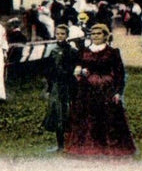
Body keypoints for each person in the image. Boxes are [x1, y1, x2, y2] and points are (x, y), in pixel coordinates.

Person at [66, 24, 136, 156]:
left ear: (105, 35)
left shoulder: (113, 52)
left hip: (106, 88)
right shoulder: (84, 51)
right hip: (87, 88)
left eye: (98, 33)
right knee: (87, 117)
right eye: (93, 34)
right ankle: (89, 147)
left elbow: (120, 73)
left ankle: (109, 146)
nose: (95, 36)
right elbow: (78, 66)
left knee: (108, 117)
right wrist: (80, 70)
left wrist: (118, 92)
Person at [42, 24, 78, 152]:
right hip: (56, 86)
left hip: (68, 85)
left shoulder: (72, 51)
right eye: (58, 34)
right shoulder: (52, 50)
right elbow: (48, 70)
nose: (60, 36)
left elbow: (73, 69)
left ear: (67, 35)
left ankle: (71, 143)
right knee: (57, 113)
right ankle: (60, 145)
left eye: (62, 34)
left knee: (68, 112)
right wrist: (49, 86)